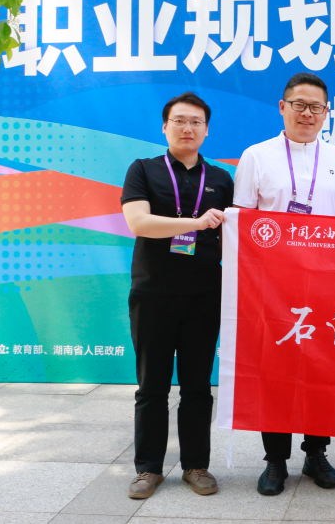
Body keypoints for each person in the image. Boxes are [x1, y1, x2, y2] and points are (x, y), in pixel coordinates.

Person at [233, 72, 335, 496]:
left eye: (316, 107)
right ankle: (274, 460)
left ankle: (316, 452)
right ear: (283, 107)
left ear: (326, 112)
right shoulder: (256, 156)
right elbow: (242, 223)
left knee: (322, 370)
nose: (307, 113)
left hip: (326, 286)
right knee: (274, 373)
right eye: (299, 105)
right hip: (272, 288)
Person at [120, 92, 234, 499]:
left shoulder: (221, 178)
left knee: (198, 385)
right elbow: (138, 222)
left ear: (206, 130)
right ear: (165, 126)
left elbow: (233, 236)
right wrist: (195, 223)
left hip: (204, 294)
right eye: (180, 121)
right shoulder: (143, 170)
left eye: (196, 122)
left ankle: (196, 466)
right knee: (151, 385)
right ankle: (148, 469)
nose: (188, 128)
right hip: (153, 292)